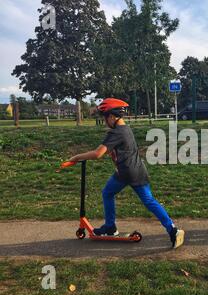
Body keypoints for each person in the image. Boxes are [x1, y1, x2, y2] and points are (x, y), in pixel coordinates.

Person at [67, 98, 185, 249]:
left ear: (111, 116)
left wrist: (76, 157)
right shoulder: (126, 129)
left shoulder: (116, 132)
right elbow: (117, 151)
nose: (104, 122)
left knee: (107, 193)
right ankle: (173, 230)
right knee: (149, 201)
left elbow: (98, 154)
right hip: (138, 170)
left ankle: (110, 227)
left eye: (104, 118)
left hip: (126, 172)